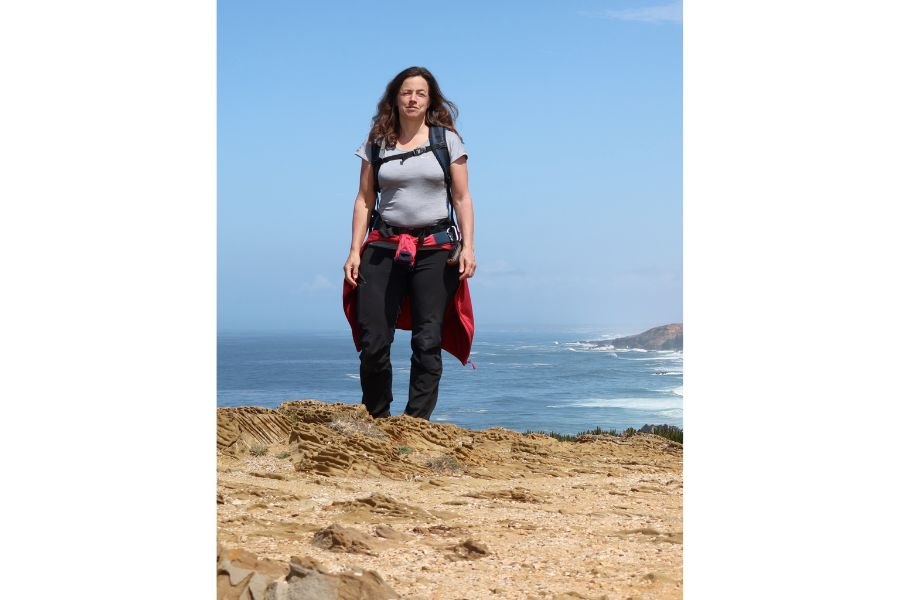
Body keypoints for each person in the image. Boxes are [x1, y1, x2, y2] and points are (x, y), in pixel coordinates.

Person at [342, 66, 476, 421]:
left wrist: (470, 247)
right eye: (406, 92)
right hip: (383, 245)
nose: (412, 98)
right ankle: (377, 418)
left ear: (430, 99)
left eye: (420, 93)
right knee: (373, 340)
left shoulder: (446, 141)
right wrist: (354, 250)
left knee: (427, 340)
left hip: (436, 247)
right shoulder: (376, 141)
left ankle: (416, 423)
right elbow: (364, 199)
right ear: (395, 98)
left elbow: (462, 199)